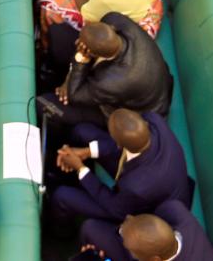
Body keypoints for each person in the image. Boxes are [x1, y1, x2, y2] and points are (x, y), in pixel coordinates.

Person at [49, 109, 193, 230]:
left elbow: (116, 208)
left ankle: (63, 233)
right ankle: (65, 160)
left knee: (62, 195)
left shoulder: (136, 187)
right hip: (145, 171)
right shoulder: (154, 120)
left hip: (141, 208)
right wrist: (86, 152)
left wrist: (80, 168)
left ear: (119, 144)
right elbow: (122, 145)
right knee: (82, 131)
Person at [45, 16, 173, 125]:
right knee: (57, 33)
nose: (77, 42)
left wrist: (80, 60)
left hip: (132, 112)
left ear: (92, 53)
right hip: (139, 83)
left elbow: (75, 95)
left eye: (81, 44)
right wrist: (69, 78)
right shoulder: (114, 19)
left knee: (45, 104)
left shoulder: (114, 81)